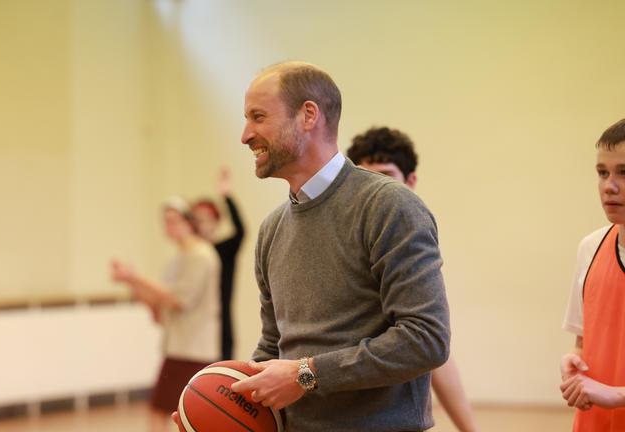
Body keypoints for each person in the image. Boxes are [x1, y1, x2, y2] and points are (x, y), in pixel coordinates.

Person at [227, 61, 450, 431]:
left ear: (308, 115)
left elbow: (425, 339)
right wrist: (223, 405)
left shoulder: (389, 206)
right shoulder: (271, 230)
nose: (245, 134)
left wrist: (306, 375)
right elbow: (272, 348)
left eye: (258, 116)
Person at [347, 126, 480, 432]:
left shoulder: (409, 241)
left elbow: (434, 351)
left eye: (385, 176)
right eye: (364, 178)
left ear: (411, 181)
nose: (374, 190)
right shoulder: (341, 242)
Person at [111, 197, 220, 432]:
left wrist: (134, 278)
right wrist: (130, 283)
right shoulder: (177, 259)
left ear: (188, 222)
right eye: (165, 221)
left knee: (171, 414)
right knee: (166, 412)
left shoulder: (202, 255)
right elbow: (161, 302)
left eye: (173, 221)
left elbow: (179, 299)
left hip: (193, 350)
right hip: (178, 346)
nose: (168, 227)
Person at [560, 118, 625, 431]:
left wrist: (616, 395)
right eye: (603, 173)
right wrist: (575, 362)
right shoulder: (590, 247)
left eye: (624, 173)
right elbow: (584, 343)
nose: (610, 186)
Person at [191, 168, 246, 361]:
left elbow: (240, 231)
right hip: (195, 323)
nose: (201, 224)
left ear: (216, 222)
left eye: (206, 219)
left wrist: (226, 197)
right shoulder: (192, 255)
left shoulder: (224, 250)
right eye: (196, 219)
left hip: (220, 321)